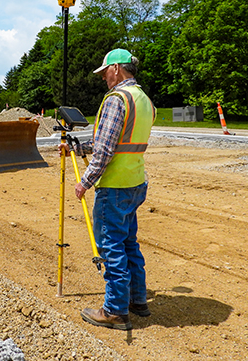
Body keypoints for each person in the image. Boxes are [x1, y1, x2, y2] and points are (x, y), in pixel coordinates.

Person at [58, 48, 156, 331]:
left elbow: (105, 151)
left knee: (111, 246)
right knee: (128, 244)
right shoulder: (143, 100)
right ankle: (137, 301)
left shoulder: (117, 99)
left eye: (104, 73)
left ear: (116, 68)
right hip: (135, 182)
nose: (103, 79)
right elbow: (119, 142)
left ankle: (114, 310)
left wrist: (84, 181)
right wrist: (77, 149)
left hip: (113, 186)